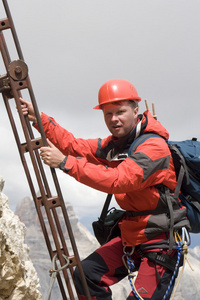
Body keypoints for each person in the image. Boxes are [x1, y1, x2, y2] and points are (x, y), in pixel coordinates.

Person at [20, 79, 190, 300]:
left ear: (136, 110)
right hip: (131, 236)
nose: (114, 119)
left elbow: (119, 179)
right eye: (108, 114)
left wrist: (65, 163)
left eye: (120, 112)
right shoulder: (116, 145)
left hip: (162, 241)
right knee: (86, 276)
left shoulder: (154, 147)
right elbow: (74, 145)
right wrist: (39, 119)